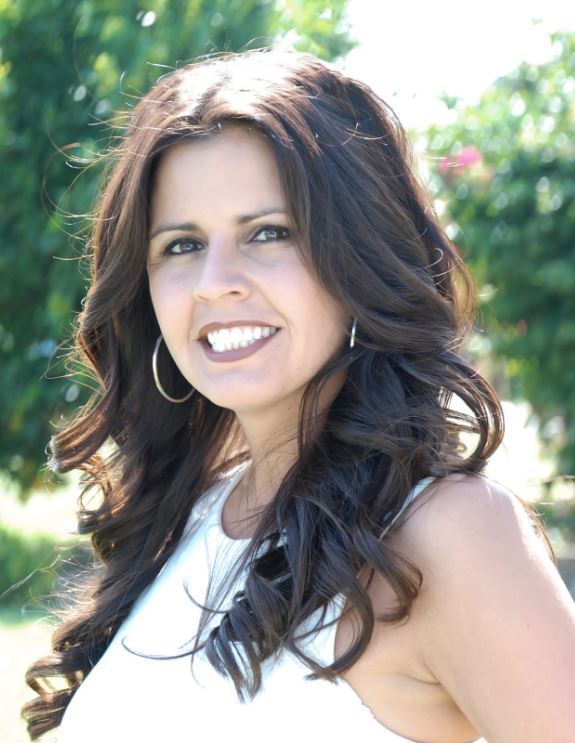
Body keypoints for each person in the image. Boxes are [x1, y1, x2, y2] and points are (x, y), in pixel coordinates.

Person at [23, 49, 575, 742]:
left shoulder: (449, 533)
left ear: (360, 256)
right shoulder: (193, 517)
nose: (213, 283)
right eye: (181, 245)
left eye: (269, 233)